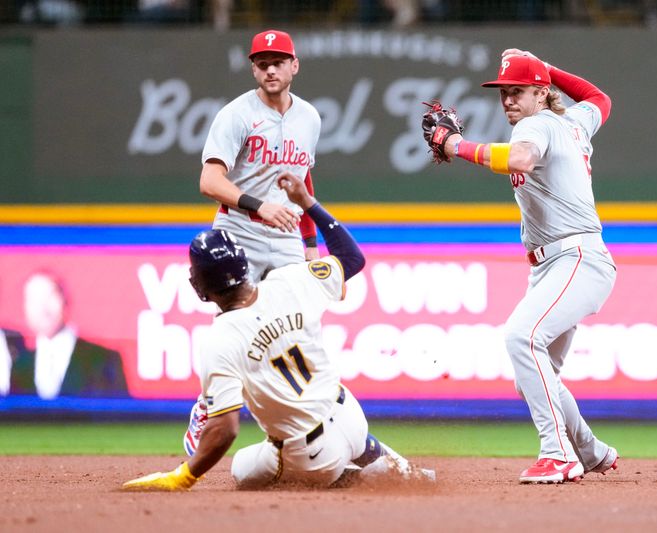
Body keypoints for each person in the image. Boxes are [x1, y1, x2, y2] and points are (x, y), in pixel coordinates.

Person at [123, 173, 434, 491]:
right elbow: (353, 258)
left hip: (312, 455)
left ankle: (357, 478)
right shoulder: (292, 281)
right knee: (341, 430)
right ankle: (395, 466)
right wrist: (307, 203)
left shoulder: (220, 340)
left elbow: (225, 429)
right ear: (244, 264)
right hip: (351, 415)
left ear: (199, 287)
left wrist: (183, 477)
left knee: (242, 469)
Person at [421, 50, 619, 484]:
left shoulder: (538, 123)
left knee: (520, 337)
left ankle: (558, 454)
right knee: (534, 368)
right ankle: (589, 450)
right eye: (504, 93)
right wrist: (546, 66)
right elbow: (598, 97)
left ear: (541, 94)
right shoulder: (575, 122)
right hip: (560, 262)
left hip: (574, 256)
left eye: (518, 92)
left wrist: (453, 144)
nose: (508, 100)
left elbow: (519, 159)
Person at [184, 29, 322, 453]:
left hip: (284, 234)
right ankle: (208, 406)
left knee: (303, 326)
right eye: (262, 62)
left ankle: (294, 423)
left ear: (294, 66)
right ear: (253, 68)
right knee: (230, 326)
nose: (270, 68)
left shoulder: (310, 117)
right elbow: (209, 180)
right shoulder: (235, 114)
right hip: (237, 232)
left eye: (278, 61)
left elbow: (301, 179)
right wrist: (258, 205)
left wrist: (311, 241)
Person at [10, 272, 128, 399]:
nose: (43, 308)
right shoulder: (20, 365)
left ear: (65, 300)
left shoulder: (103, 360)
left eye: (49, 296)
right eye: (34, 299)